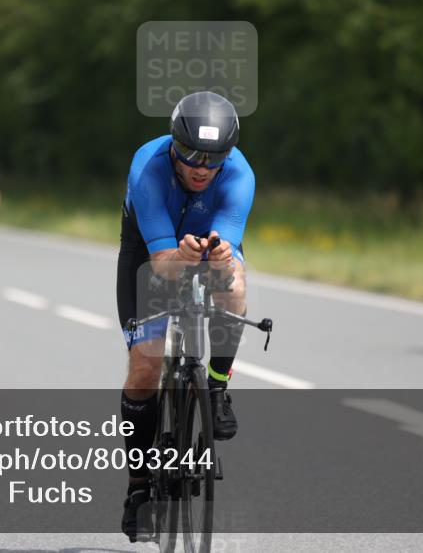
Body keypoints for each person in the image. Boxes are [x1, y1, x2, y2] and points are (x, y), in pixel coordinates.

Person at [117, 91, 255, 540]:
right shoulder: (149, 168)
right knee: (145, 364)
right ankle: (139, 488)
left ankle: (216, 388)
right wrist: (181, 254)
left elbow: (228, 256)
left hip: (206, 237)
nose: (202, 166)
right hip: (152, 247)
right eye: (192, 154)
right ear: (174, 144)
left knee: (232, 285)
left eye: (214, 157)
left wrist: (217, 260)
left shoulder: (238, 175)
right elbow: (161, 267)